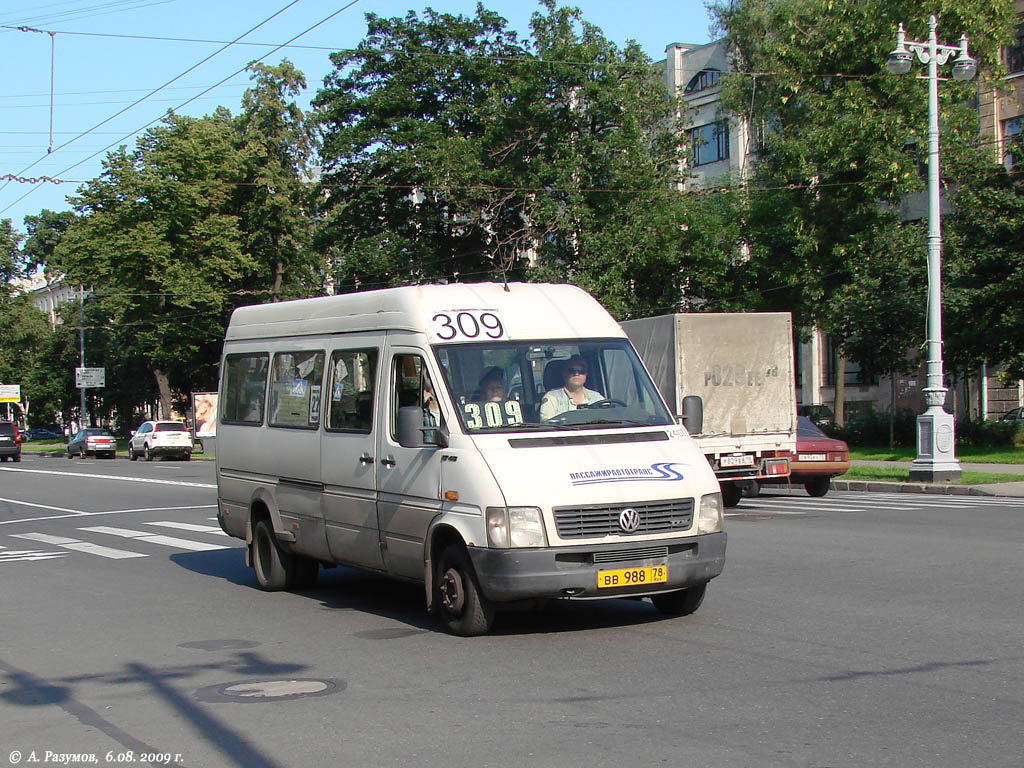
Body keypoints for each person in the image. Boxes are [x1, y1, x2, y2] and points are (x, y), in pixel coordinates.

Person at [539, 355, 602, 420]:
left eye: (581, 371)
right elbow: (547, 425)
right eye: (572, 370)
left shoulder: (597, 397)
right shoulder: (551, 397)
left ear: (586, 374)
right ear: (564, 373)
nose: (577, 374)